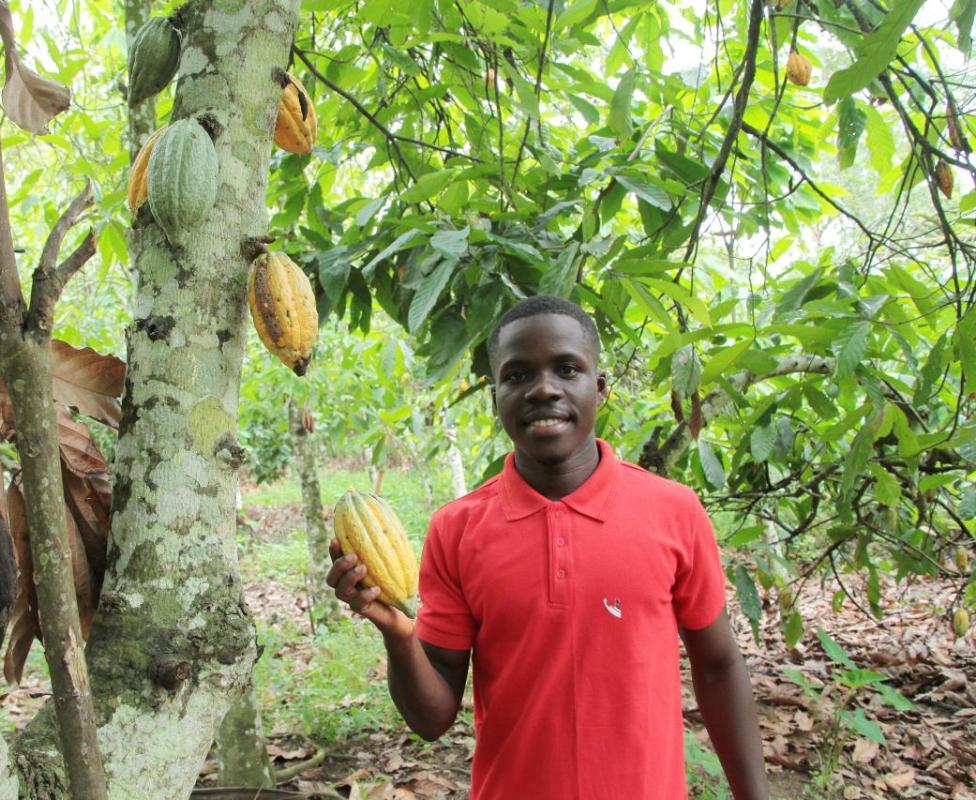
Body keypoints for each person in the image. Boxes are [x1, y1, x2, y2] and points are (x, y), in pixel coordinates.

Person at [327, 295, 769, 799]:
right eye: (517, 376)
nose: (543, 389)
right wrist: (397, 634)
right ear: (496, 398)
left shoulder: (673, 510)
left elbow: (718, 665)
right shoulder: (458, 529)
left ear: (599, 388)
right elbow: (432, 718)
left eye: (567, 368)